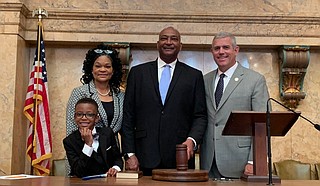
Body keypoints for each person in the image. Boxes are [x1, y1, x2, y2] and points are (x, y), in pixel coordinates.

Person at [121, 26, 208, 176]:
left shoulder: (194, 76)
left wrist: (191, 141)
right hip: (143, 157)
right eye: (164, 38)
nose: (168, 42)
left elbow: (200, 115)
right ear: (157, 44)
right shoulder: (138, 73)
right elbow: (128, 116)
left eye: (174, 39)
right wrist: (129, 154)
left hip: (180, 158)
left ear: (181, 46)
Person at [199, 32, 270, 179]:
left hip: (241, 163)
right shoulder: (204, 80)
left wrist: (254, 160)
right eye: (217, 48)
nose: (221, 52)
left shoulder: (255, 80)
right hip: (208, 163)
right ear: (212, 52)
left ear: (236, 50)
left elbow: (263, 124)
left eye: (226, 47)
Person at [66, 44, 124, 141]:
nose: (102, 69)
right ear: (91, 69)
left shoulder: (121, 96)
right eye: (98, 66)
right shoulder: (79, 93)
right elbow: (71, 128)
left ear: (113, 70)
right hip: (86, 149)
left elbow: (125, 129)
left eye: (107, 66)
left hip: (112, 152)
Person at [63, 98, 123, 178]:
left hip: (108, 181)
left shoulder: (107, 133)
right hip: (83, 183)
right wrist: (88, 145)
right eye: (79, 114)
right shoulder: (69, 141)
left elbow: (117, 158)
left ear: (96, 118)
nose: (84, 118)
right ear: (75, 117)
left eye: (89, 114)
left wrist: (115, 168)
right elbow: (79, 171)